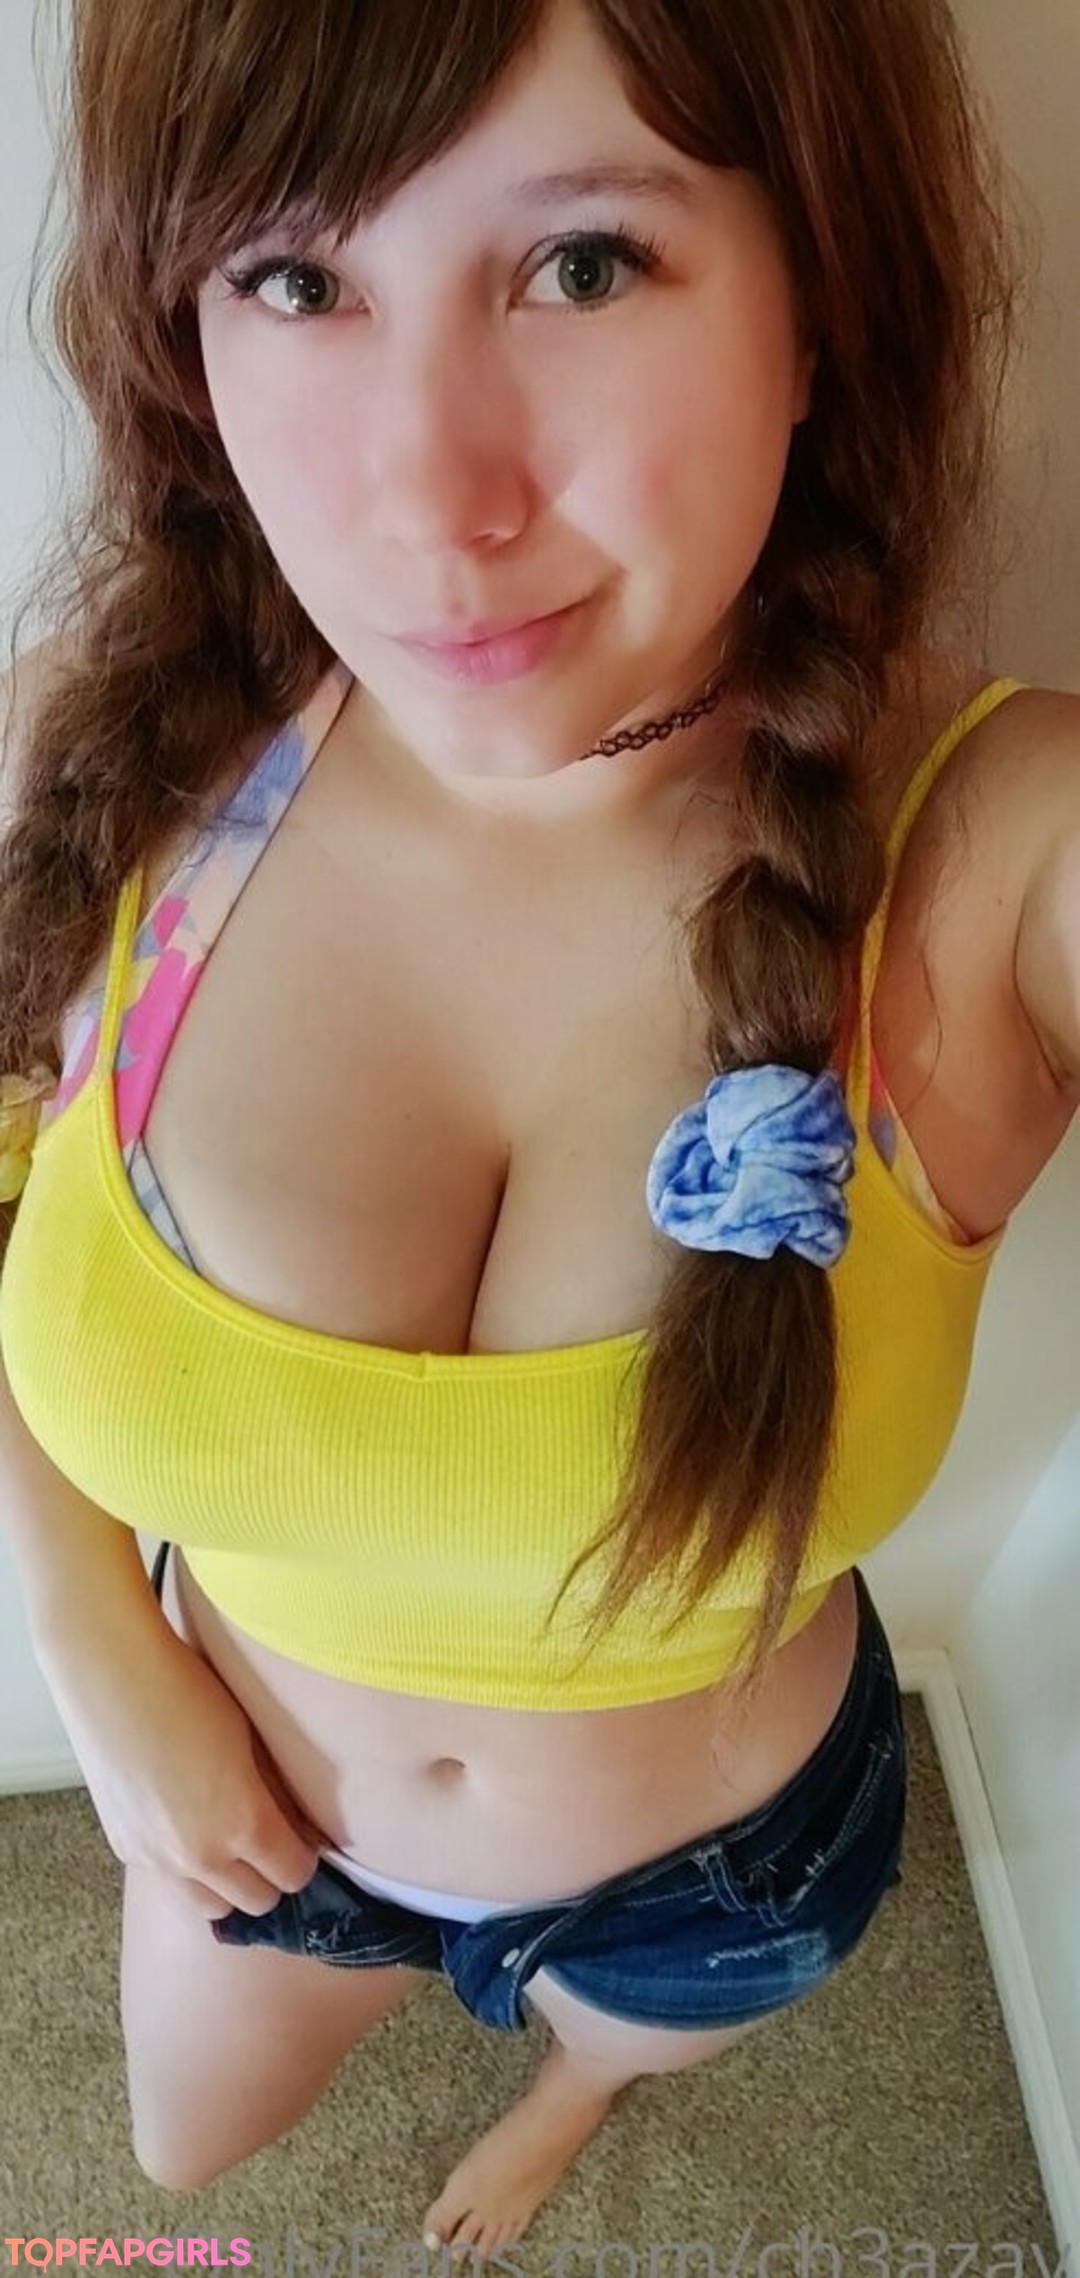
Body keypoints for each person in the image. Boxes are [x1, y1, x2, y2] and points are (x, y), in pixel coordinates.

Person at [1, 0, 1077, 2256]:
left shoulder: (1000, 860)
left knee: (618, 2035)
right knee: (175, 2160)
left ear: (823, 298)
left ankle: (576, 2087)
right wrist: (97, 1652)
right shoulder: (99, 766)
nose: (430, 501)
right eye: (298, 274)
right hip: (245, 1819)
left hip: (724, 1876)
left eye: (583, 262)